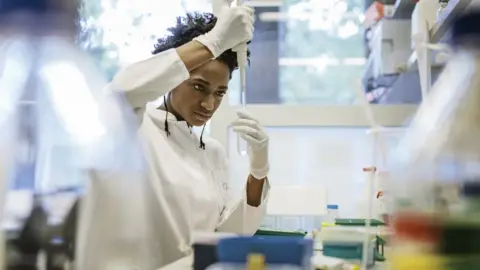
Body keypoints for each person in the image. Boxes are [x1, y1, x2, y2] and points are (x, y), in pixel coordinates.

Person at [101, 3, 269, 268]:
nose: (209, 105)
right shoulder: (136, 129)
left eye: (219, 93)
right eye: (199, 87)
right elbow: (119, 93)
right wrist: (213, 42)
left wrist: (259, 171)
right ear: (173, 78)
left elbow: (228, 236)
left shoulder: (212, 152)